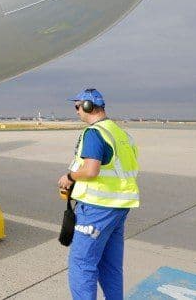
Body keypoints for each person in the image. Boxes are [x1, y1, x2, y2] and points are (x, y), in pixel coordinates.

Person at [57, 88, 140, 300]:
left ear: (87, 106)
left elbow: (91, 170)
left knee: (82, 264)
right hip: (119, 208)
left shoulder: (94, 133)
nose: (76, 111)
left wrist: (70, 177)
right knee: (110, 266)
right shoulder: (120, 133)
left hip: (97, 208)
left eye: (77, 107)